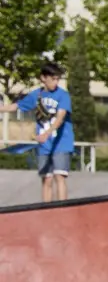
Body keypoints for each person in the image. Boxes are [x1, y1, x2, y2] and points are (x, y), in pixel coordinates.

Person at [15, 62, 75, 203]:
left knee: (59, 176)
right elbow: (16, 106)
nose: (56, 82)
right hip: (44, 145)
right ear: (43, 78)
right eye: (53, 79)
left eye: (57, 79)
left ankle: (62, 210)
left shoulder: (63, 95)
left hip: (61, 142)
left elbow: (60, 117)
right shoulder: (36, 95)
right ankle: (46, 212)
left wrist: (47, 133)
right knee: (46, 179)